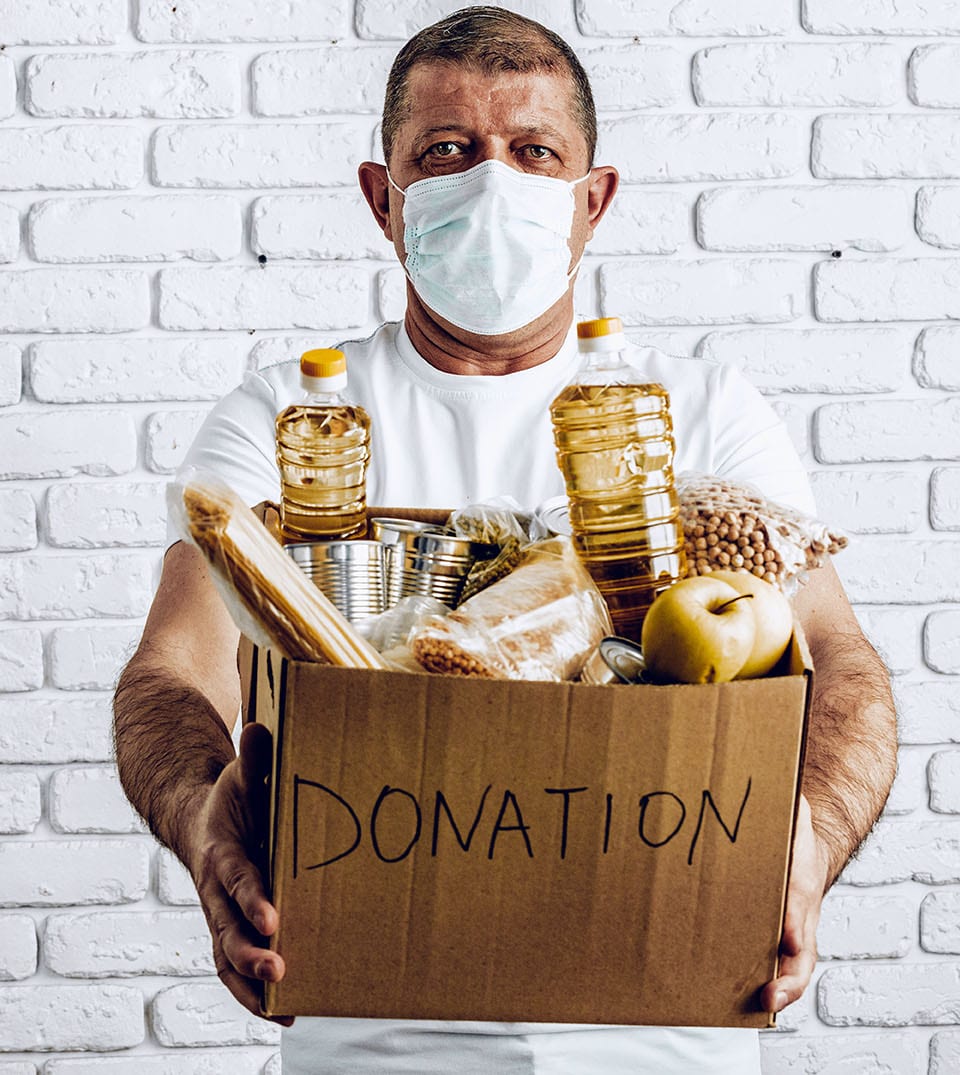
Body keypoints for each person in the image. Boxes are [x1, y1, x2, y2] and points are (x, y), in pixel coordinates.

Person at [113, 7, 897, 1073]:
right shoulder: (291, 418)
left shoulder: (698, 414)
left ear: (591, 199)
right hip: (375, 1033)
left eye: (533, 153)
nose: (492, 184)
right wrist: (203, 818)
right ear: (382, 198)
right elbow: (171, 669)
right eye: (447, 151)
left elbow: (838, 664)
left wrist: (805, 841)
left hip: (661, 1031)